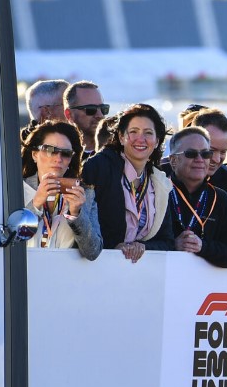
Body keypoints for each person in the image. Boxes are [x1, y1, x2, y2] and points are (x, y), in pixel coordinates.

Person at [151, 126, 227, 268]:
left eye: (205, 154)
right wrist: (172, 244)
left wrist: (203, 247)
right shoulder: (155, 193)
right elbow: (140, 243)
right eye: (191, 153)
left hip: (205, 286)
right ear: (174, 160)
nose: (200, 159)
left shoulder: (221, 198)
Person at [82, 103, 170, 262]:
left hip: (139, 272)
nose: (141, 139)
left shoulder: (159, 181)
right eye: (133, 132)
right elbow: (84, 225)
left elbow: (167, 240)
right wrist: (114, 247)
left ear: (157, 141)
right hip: (96, 267)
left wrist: (141, 247)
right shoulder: (98, 167)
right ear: (121, 137)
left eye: (148, 133)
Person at [21, 119, 101, 259]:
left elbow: (93, 252)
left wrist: (76, 214)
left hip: (65, 275)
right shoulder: (17, 189)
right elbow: (11, 238)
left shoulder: (84, 193)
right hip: (24, 274)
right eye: (50, 150)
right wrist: (36, 204)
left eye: (65, 153)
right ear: (35, 154)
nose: (58, 158)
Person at [63, 81, 108, 151]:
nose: (100, 115)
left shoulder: (119, 153)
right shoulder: (60, 155)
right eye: (90, 109)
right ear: (69, 114)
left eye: (103, 108)